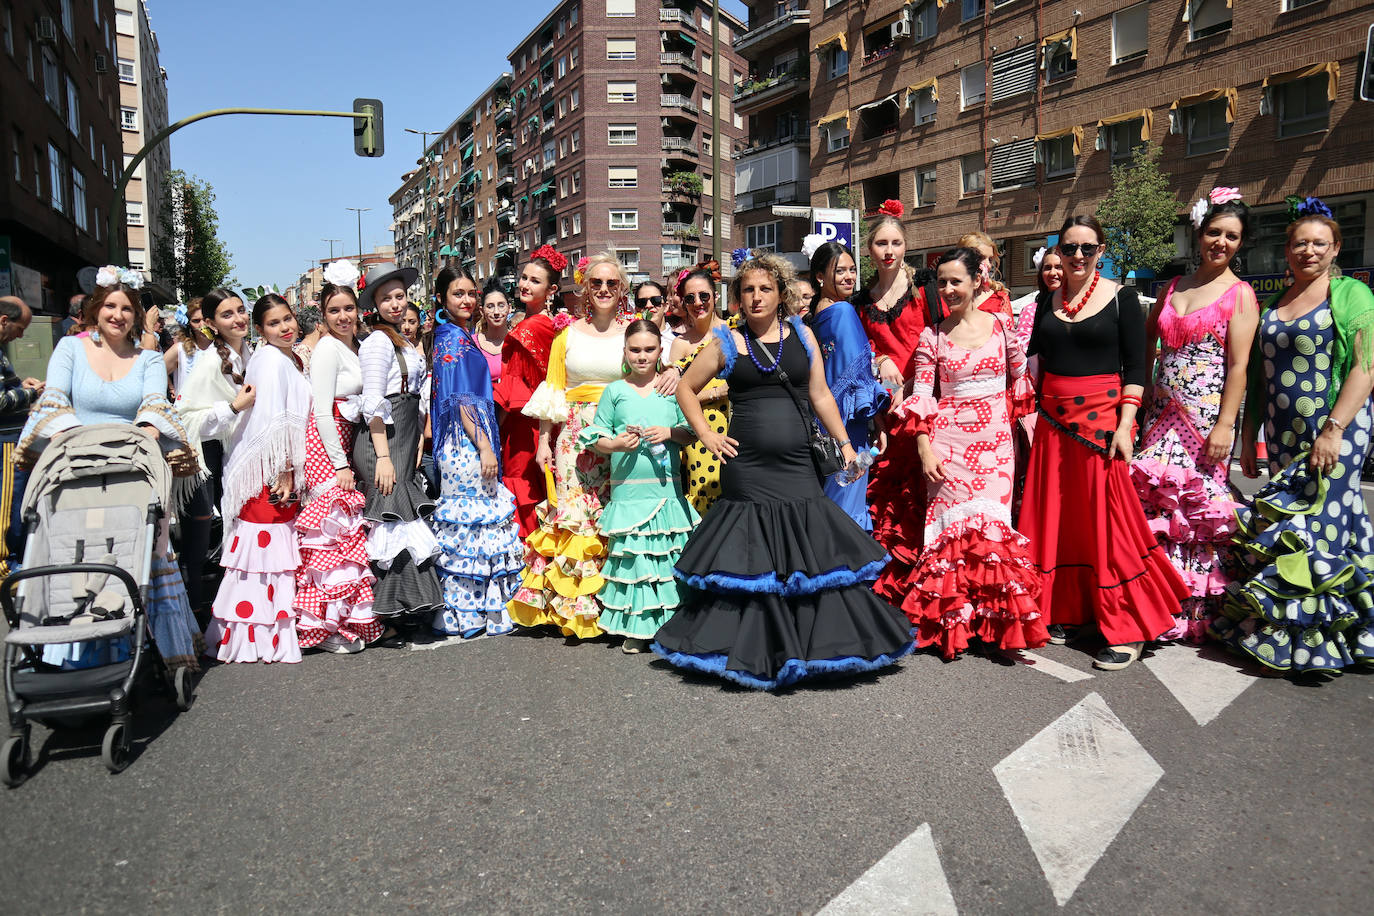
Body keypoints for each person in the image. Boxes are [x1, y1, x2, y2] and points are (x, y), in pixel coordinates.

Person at [654, 253, 914, 690]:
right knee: (756, 559)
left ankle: (815, 646)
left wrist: (847, 446)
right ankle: (758, 649)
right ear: (738, 297)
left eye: (765, 289)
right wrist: (706, 435)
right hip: (748, 467)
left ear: (780, 294)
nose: (756, 297)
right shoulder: (724, 341)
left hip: (797, 465)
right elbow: (685, 387)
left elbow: (821, 396)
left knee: (805, 554)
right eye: (748, 290)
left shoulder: (803, 334)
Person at [1020, 216, 1187, 670]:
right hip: (1053, 427)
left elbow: (1137, 366)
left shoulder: (1122, 297)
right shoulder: (1044, 300)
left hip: (1101, 426)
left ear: (1101, 250)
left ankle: (1127, 626)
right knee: (1061, 522)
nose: (1077, 256)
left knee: (1109, 524)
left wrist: (1126, 424)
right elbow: (1032, 359)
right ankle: (1070, 612)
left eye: (1087, 249)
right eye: (1069, 248)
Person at [17, 269, 202, 671]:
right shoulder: (70, 349)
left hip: (131, 474)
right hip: (77, 469)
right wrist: (88, 444)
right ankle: (69, 653)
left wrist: (145, 436)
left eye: (126, 309)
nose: (117, 315)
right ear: (95, 310)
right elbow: (55, 400)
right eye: (110, 307)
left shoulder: (150, 359)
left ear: (136, 316)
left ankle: (147, 653)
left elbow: (156, 406)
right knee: (75, 553)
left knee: (138, 555)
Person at [1220, 200, 1374, 673]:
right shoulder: (1276, 302)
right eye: (1300, 243)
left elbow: (1365, 368)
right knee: (1317, 524)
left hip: (1337, 431)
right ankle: (1353, 625)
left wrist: (1334, 431)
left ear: (1335, 249)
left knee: (1315, 522)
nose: (1308, 250)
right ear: (1287, 250)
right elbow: (1261, 379)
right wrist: (1249, 438)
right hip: (1283, 434)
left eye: (1318, 243)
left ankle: (1307, 640)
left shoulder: (1351, 295)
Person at [894, 248, 1043, 659]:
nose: (947, 289)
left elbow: (1021, 386)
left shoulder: (1002, 329)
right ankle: (956, 626)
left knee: (990, 533)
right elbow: (921, 394)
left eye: (955, 281)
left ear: (978, 280)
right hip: (947, 445)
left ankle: (994, 624)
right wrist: (925, 450)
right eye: (941, 282)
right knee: (950, 536)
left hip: (996, 445)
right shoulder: (932, 336)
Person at [1131, 190, 1258, 642]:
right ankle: (1149, 599)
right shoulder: (1172, 286)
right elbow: (1148, 338)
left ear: (1241, 243)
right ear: (1199, 235)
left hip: (1204, 421)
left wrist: (1227, 424)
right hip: (1161, 414)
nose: (1220, 242)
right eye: (1214, 232)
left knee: (1195, 514)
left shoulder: (1240, 295)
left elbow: (1240, 366)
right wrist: (1144, 385)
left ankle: (1191, 608)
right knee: (1152, 504)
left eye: (1231, 236)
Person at [507, 253, 630, 640]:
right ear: (585, 291)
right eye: (597, 284)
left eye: (612, 283)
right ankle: (579, 612)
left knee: (615, 513)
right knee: (577, 516)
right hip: (574, 436)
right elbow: (554, 390)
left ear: (622, 289)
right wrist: (544, 440)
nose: (604, 290)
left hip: (621, 434)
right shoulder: (567, 336)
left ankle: (620, 606)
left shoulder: (634, 333)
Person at [202, 295, 310, 664]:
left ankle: (266, 632)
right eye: (274, 323)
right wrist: (283, 468)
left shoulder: (283, 357)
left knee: (271, 560)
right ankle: (254, 637)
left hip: (275, 470)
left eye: (289, 318)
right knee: (262, 558)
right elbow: (270, 421)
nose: (286, 327)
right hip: (267, 474)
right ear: (262, 331)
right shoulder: (269, 360)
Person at [580, 320, 699, 652]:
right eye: (635, 350)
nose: (642, 356)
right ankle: (638, 628)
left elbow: (690, 430)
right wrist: (617, 444)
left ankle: (674, 627)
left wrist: (668, 433)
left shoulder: (672, 389)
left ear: (661, 351)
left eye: (649, 349)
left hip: (665, 493)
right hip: (629, 493)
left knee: (667, 558)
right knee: (636, 562)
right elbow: (596, 437)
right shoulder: (615, 391)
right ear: (625, 353)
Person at [428, 266, 523, 639]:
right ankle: (467, 614)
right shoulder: (451, 338)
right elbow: (459, 400)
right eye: (458, 294)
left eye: (471, 293)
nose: (467, 300)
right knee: (474, 529)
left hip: (469, 439)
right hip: (465, 443)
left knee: (477, 528)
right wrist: (484, 445)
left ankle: (475, 612)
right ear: (441, 299)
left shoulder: (458, 333)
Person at [293, 274, 383, 653]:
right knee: (332, 538)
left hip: (345, 440)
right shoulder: (329, 349)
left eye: (348, 308)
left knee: (345, 537)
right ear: (323, 316)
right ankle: (324, 627)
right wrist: (340, 464)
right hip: (325, 443)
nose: (343, 316)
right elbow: (322, 410)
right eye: (334, 311)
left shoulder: (356, 344)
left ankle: (347, 622)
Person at [355, 262, 442, 644]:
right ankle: (389, 612)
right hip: (384, 440)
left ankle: (407, 608)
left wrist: (418, 441)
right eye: (386, 298)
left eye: (399, 296)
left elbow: (416, 395)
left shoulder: (403, 340)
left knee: (405, 522)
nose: (394, 304)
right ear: (374, 303)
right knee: (392, 520)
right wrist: (385, 456)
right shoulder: (377, 341)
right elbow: (373, 402)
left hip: (405, 438)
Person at [176, 288, 252, 618]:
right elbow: (188, 419)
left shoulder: (249, 352)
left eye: (240, 310)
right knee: (207, 538)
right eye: (227, 314)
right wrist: (234, 407)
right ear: (210, 323)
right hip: (214, 463)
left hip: (246, 456)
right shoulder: (209, 363)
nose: (238, 319)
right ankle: (202, 612)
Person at [805, 241, 889, 530]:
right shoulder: (843, 311)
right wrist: (878, 422)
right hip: (850, 426)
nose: (849, 276)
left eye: (852, 270)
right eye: (839, 271)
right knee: (848, 509)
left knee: (829, 506)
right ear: (819, 277)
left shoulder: (814, 316)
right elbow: (859, 376)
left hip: (822, 425)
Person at [493, 247, 563, 537]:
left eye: (535, 281)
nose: (525, 284)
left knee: (526, 493)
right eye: (524, 277)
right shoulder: (554, 325)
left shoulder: (527, 329)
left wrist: (494, 431)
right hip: (551, 420)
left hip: (524, 424)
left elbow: (513, 390)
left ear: (551, 290)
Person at [668, 264, 730, 515]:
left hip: (738, 424)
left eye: (704, 295)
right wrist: (715, 393)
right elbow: (673, 396)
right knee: (706, 497)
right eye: (690, 298)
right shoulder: (680, 344)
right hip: (699, 432)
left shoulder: (734, 332)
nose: (698, 303)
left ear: (715, 297)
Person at [0, 296, 42, 577]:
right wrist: (30, 393)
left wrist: (20, 382)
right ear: (4, 320)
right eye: (19, 328)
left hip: (12, 437)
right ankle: (7, 564)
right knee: (8, 504)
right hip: (5, 442)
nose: (22, 335)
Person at [164, 297, 212, 402]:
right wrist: (170, 388)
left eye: (205, 319)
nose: (202, 325)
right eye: (196, 321)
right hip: (188, 414)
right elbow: (153, 373)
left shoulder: (223, 347)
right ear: (189, 324)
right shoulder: (180, 350)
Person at [958, 231, 1013, 317]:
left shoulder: (1000, 299)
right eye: (981, 258)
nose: (988, 264)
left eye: (990, 259)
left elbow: (1007, 329)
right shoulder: (949, 296)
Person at [475, 279, 511, 385]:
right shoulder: (471, 344)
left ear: (509, 308)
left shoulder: (519, 341)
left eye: (501, 305)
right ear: (482, 311)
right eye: (490, 306)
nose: (496, 312)